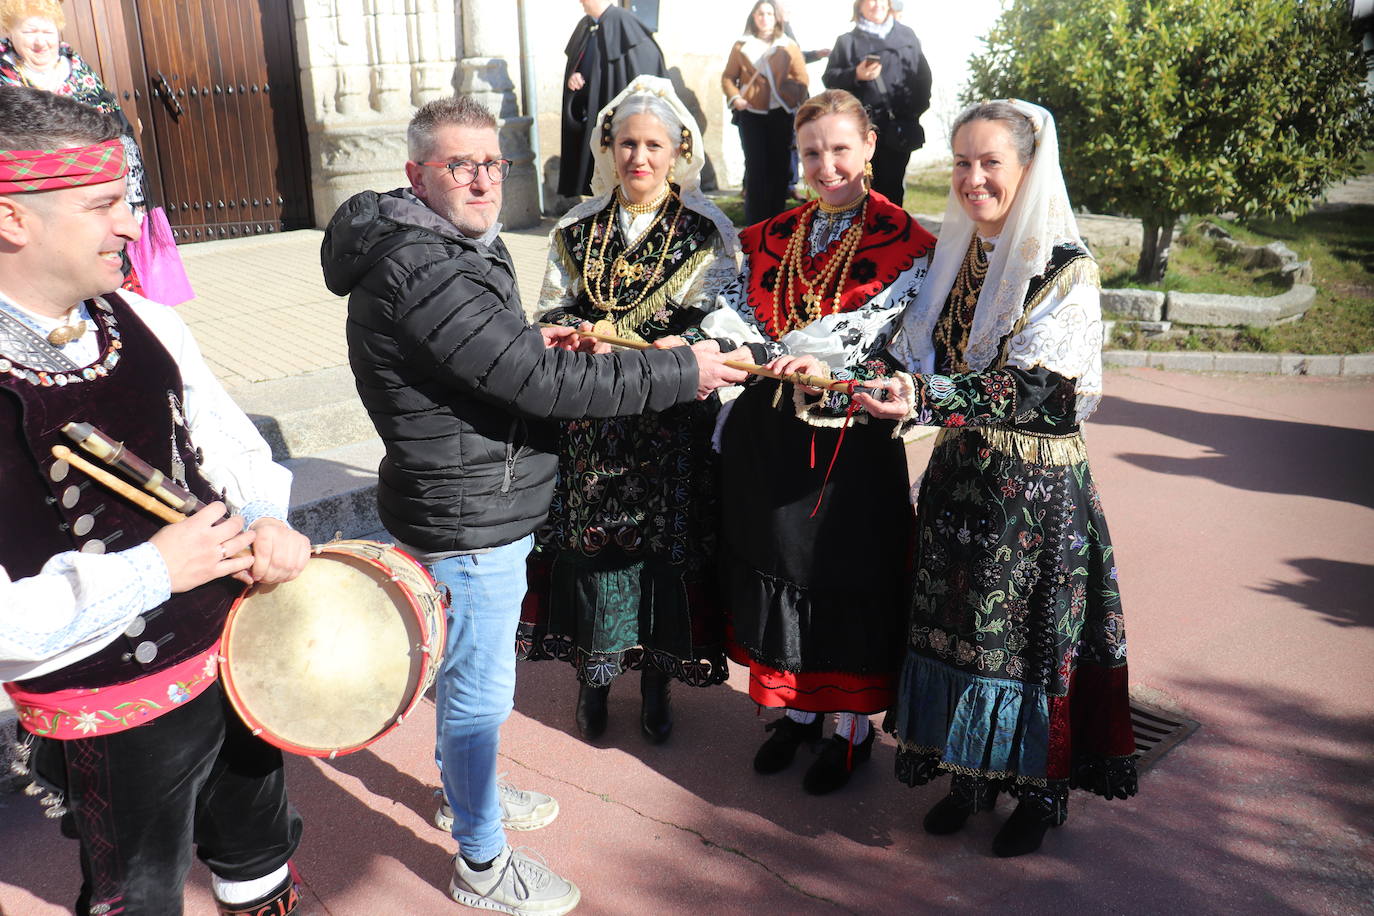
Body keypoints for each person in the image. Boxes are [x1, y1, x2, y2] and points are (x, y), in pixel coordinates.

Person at [321, 93, 745, 915]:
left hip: (467, 488)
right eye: (459, 165)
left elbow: (497, 357)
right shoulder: (426, 266)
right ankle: (481, 863)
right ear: (415, 174)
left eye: (492, 164)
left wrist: (527, 340)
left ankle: (462, 794)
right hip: (469, 508)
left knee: (468, 672)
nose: (482, 182)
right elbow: (541, 386)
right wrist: (683, 373)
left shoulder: (435, 245)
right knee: (479, 690)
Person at [0, 86, 311, 916]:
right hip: (108, 704)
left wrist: (268, 518)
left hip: (233, 651)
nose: (134, 225)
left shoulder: (142, 317)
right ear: (12, 219)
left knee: (258, 849)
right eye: (104, 203)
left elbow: (225, 440)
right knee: (137, 896)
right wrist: (153, 572)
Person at [858, 100, 1139, 857]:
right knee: (957, 632)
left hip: (1035, 497)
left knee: (1026, 645)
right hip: (962, 478)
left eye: (990, 164)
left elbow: (1039, 391)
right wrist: (848, 374)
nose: (973, 180)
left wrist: (927, 396)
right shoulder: (961, 259)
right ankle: (969, 777)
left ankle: (1039, 795)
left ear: (1028, 169)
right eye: (961, 163)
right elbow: (908, 348)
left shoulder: (1064, 268)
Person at [701, 89, 936, 795]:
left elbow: (917, 352)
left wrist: (838, 367)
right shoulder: (769, 235)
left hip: (853, 443)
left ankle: (851, 730)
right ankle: (800, 716)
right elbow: (732, 317)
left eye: (840, 148)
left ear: (869, 146)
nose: (826, 164)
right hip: (772, 434)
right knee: (786, 570)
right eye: (811, 152)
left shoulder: (911, 244)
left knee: (847, 577)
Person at [519, 76, 741, 746]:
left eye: (653, 145)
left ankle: (654, 684)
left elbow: (725, 324)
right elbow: (551, 313)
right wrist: (574, 333)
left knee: (660, 553)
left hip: (670, 424)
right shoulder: (576, 228)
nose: (638, 157)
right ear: (608, 148)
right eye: (626, 144)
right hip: (591, 420)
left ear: (678, 151)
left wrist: (688, 343)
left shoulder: (705, 233)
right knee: (591, 554)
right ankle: (592, 682)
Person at [0, 1, 149, 231]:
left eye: (47, 31)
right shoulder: (4, 77)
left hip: (93, 194)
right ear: (10, 32)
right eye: (29, 32)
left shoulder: (80, 72)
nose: (40, 41)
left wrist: (134, 196)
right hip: (27, 203)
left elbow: (120, 134)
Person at [822, 0, 931, 206]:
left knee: (893, 187)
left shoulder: (906, 36)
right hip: (861, 130)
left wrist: (913, 111)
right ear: (860, 6)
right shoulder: (847, 42)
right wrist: (855, 74)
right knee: (861, 189)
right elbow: (830, 79)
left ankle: (893, 234)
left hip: (898, 127)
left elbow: (922, 77)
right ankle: (861, 235)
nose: (876, 4)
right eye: (870, 0)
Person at [559, 0, 668, 199]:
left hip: (622, 117)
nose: (580, 2)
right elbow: (582, 63)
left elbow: (644, 68)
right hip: (593, 112)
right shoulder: (586, 25)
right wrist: (575, 75)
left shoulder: (624, 22)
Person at [722, 1, 808, 225]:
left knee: (780, 167)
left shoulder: (787, 45)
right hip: (751, 114)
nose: (765, 18)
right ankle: (755, 223)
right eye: (760, 13)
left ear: (777, 18)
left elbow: (802, 79)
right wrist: (735, 98)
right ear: (753, 17)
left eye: (769, 13)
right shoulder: (742, 45)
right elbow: (728, 77)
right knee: (755, 167)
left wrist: (792, 98)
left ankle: (777, 221)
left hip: (781, 113)